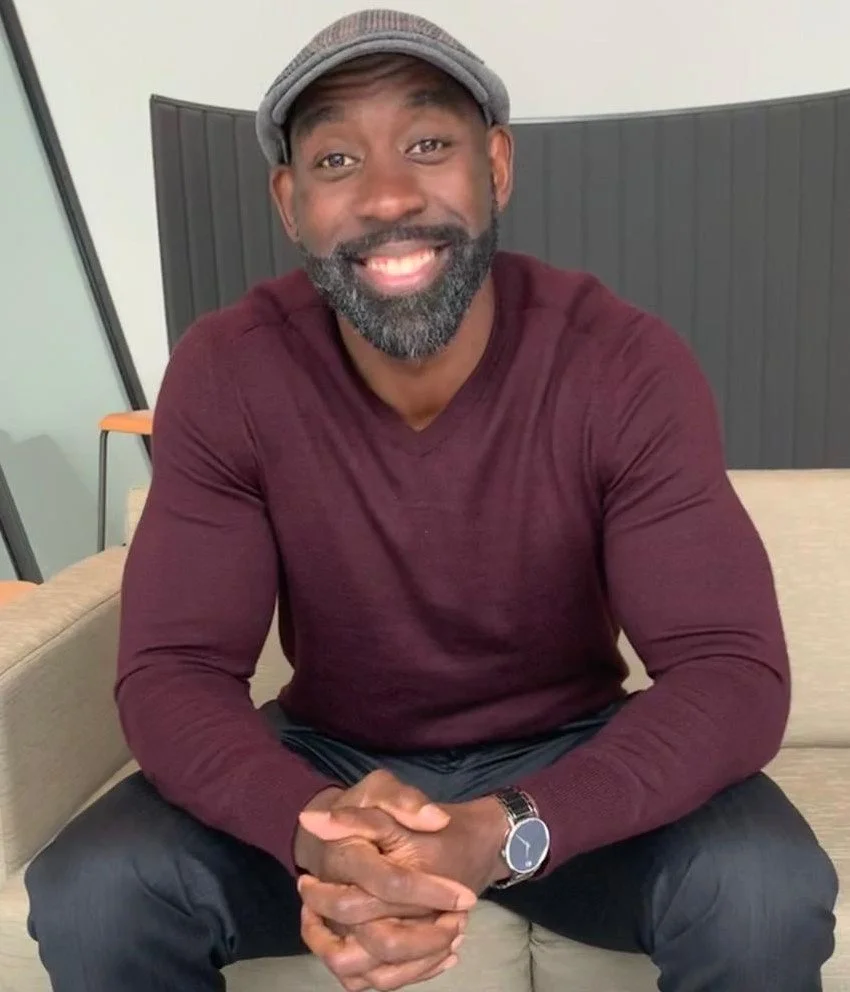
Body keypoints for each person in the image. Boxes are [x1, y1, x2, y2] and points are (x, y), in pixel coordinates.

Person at [25, 9, 837, 992]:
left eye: (426, 143)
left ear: (494, 165)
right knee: (98, 889)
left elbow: (729, 671)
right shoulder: (228, 372)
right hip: (332, 760)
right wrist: (318, 830)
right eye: (333, 160)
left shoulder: (621, 362)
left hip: (565, 754)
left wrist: (510, 827)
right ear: (288, 201)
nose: (385, 194)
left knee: (760, 888)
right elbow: (174, 671)